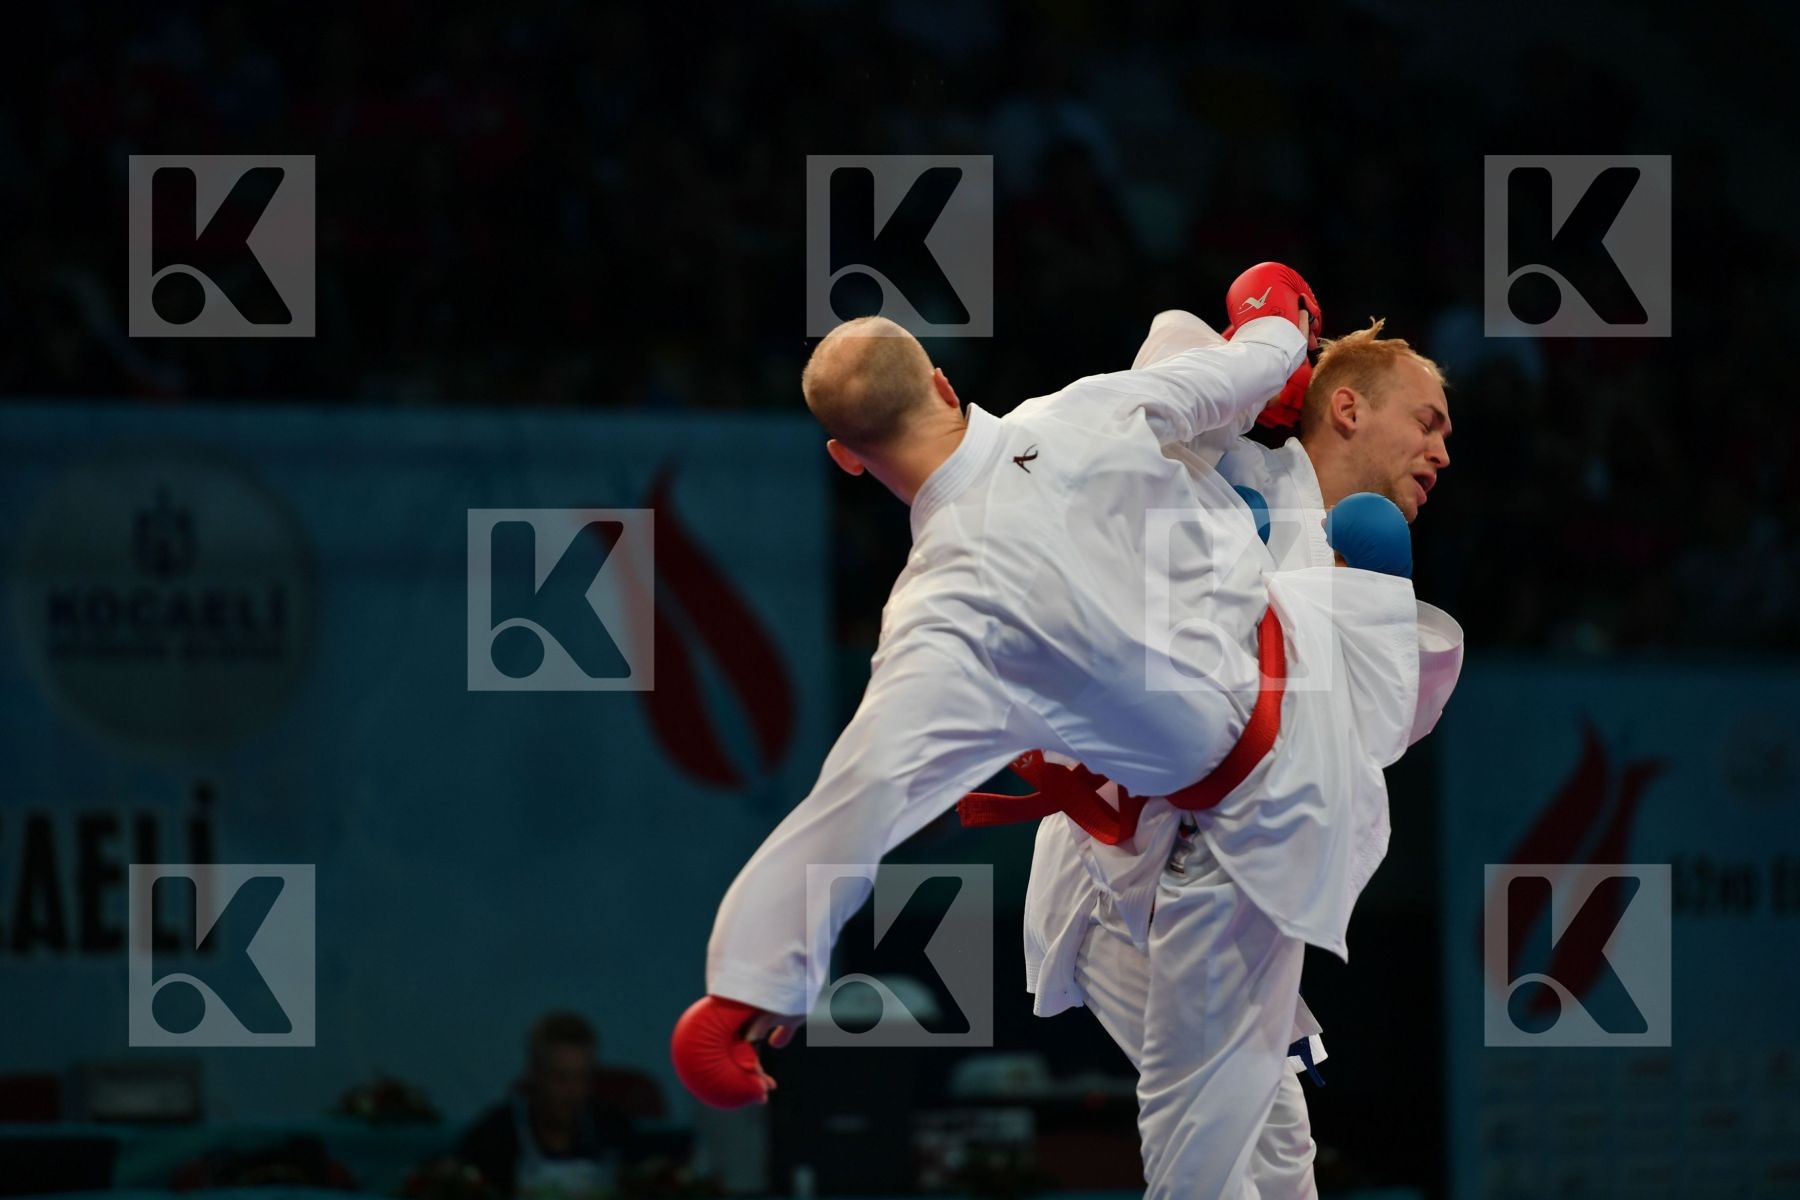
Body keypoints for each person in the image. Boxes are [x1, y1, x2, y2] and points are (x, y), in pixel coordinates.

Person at [991, 307, 1463, 1197]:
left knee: (1276, 1154)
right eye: (1428, 421)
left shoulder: (1354, 560)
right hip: (1118, 878)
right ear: (1349, 408)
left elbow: (1355, 752)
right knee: (1214, 1150)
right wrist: (1263, 346)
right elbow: (1158, 363)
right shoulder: (1231, 462)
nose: (1441, 451)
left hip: (1218, 872)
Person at [458, 1011, 629, 1200]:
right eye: (560, 1078)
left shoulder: (613, 1131)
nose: (573, 1092)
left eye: (582, 1078)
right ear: (534, 1074)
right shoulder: (493, 1138)